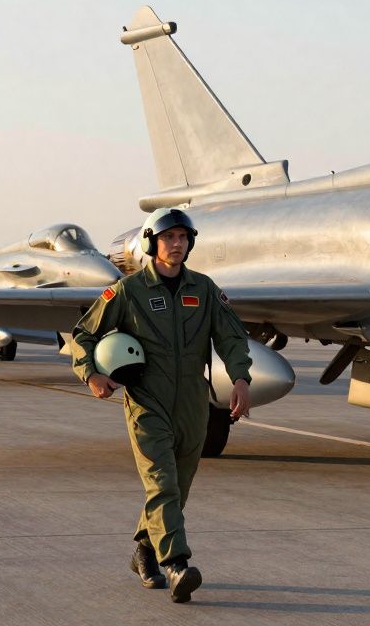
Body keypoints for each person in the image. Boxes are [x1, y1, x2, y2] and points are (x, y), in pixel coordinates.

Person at [71, 207, 252, 604]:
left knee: (176, 490)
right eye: (169, 237)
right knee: (162, 483)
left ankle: (143, 549)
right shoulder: (127, 291)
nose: (177, 244)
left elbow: (232, 338)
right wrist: (92, 374)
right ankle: (177, 566)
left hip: (193, 403)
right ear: (152, 242)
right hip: (146, 402)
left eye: (183, 238)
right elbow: (84, 334)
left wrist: (240, 378)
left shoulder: (203, 289)